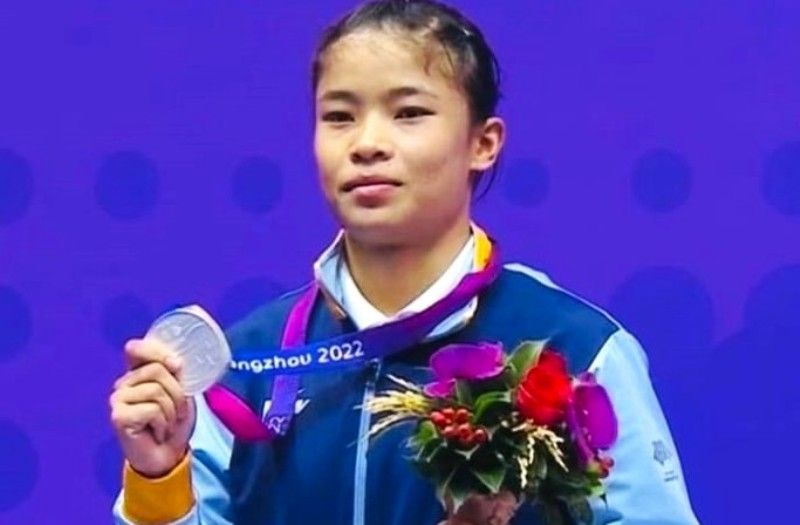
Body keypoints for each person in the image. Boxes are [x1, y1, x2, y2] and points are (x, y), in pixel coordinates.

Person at [109, 1, 699, 523]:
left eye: (409, 113)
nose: (366, 143)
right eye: (339, 116)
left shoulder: (575, 349)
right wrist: (158, 478)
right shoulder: (245, 367)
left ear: (483, 143)